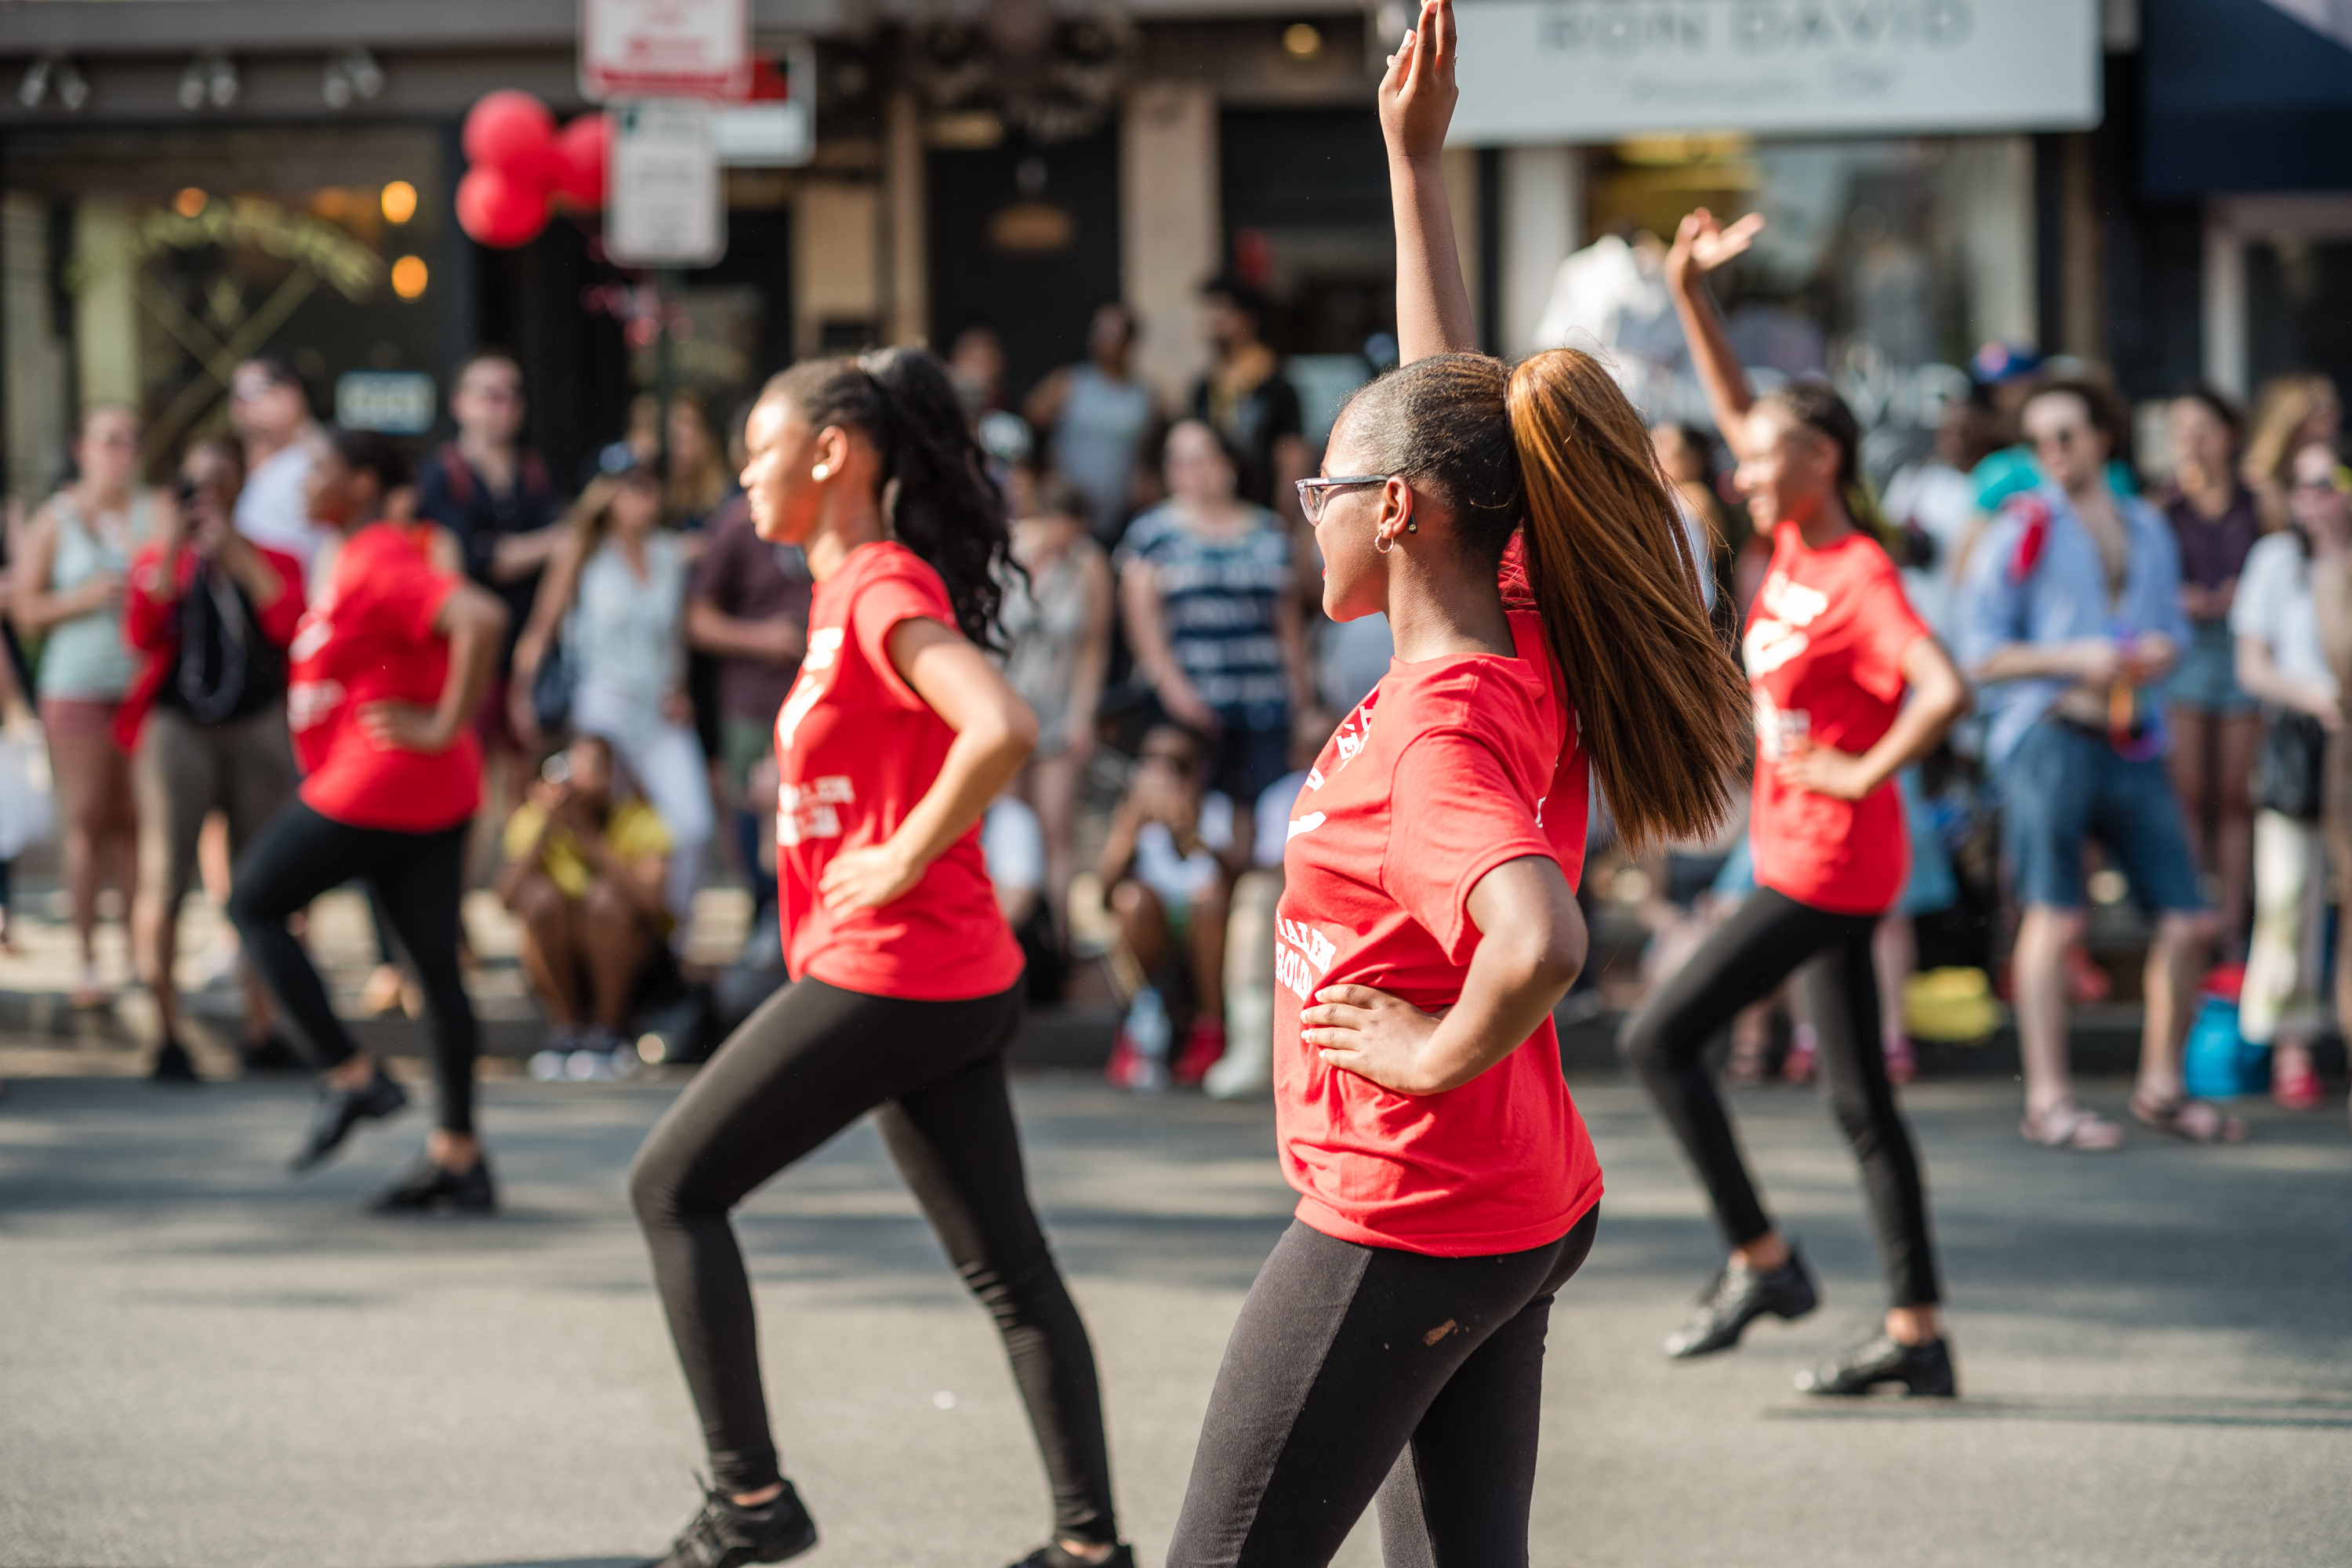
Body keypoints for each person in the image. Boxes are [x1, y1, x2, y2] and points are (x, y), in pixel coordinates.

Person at [1163, 10, 1751, 1560]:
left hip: (1410, 1206)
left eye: (1326, 490)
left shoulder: (1439, 730)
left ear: (1403, 513)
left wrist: (1427, 1052)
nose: (1311, 514)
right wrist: (1411, 167)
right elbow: (1450, 400)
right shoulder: (1523, 624)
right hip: (1512, 1201)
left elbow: (1543, 937)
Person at [624, 348, 1136, 1568]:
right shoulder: (841, 590)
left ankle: (751, 1503)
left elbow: (1000, 726)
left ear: (831, 454)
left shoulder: (876, 585)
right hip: (938, 976)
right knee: (1012, 1270)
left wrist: (898, 857)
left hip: (898, 967)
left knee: (672, 1189)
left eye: (759, 448)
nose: (743, 474)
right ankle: (1089, 1550)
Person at [1616, 204, 1971, 1393]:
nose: (1743, 469)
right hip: (1802, 850)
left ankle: (1763, 1261)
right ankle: (1919, 1336)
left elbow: (1940, 687)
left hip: (1829, 861)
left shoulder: (1856, 570)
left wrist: (1867, 769)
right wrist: (1685, 290)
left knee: (1659, 1037)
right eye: (1746, 458)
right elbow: (1736, 408)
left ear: (1825, 461)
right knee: (1861, 1100)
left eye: (1767, 459)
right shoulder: (1792, 543)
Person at [227, 427, 508, 1207]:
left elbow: (479, 618)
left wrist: (443, 723)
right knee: (433, 970)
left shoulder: (382, 553)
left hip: (382, 783)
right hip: (417, 790)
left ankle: (352, 1076)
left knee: (252, 900)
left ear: (359, 482)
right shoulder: (345, 556)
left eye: (320, 469)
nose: (304, 481)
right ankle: (460, 1156)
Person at [1957, 383, 2241, 1149]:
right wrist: (2074, 657)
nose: (2052, 451)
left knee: (2188, 918)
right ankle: (2048, 1099)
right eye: (2040, 439)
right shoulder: (2020, 526)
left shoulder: (2146, 523)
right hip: (2050, 734)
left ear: (2101, 439)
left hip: (2132, 736)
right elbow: (1979, 652)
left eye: (2067, 435)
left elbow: (2173, 630)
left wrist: (2159, 652)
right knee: (2056, 914)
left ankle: (2160, 1085)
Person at [120, 437, 305, 1083]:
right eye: (196, 485)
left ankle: (265, 1028)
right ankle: (166, 1034)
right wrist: (172, 549)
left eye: (221, 482)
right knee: (165, 880)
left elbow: (290, 625)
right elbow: (140, 633)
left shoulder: (268, 555)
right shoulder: (160, 557)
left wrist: (235, 554)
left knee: (263, 879)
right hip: (180, 728)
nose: (208, 496)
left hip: (256, 724)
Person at [511, 448, 712, 927]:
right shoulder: (580, 552)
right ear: (608, 495)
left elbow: (675, 636)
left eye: (650, 484)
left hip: (658, 710)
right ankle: (592, 938)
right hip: (600, 710)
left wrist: (681, 687)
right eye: (632, 486)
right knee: (593, 823)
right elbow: (541, 628)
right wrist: (521, 697)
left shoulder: (670, 553)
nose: (645, 496)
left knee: (693, 825)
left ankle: (669, 940)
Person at [14, 405, 156, 1011]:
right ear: (82, 449)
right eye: (109, 441)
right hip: (75, 689)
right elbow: (25, 609)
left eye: (130, 441)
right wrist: (84, 597)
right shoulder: (55, 519)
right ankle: (88, 960)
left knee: (135, 823)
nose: (121, 452)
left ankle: (138, 952)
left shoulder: (155, 512)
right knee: (87, 822)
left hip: (143, 688)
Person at [1117, 421, 1311, 855]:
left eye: (1197, 457)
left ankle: (1255, 914)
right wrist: (1174, 691)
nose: (1185, 469)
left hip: (1264, 699)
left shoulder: (1268, 531)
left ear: (1227, 464)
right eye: (1176, 458)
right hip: (1189, 702)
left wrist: (1301, 689)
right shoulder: (1152, 533)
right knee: (1193, 819)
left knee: (1266, 816)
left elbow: (1288, 621)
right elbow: (1142, 624)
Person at [415, 346, 567, 853]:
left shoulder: (535, 471)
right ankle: (458, 911)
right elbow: (471, 562)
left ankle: (522, 907)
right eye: (490, 395)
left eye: (511, 396)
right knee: (467, 783)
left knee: (526, 787)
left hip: (527, 653)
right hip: (468, 658)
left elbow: (553, 559)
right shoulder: (441, 474)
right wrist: (547, 544)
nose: (502, 406)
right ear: (460, 403)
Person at [2239, 440, 2350, 1112]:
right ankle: (2291, 1047)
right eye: (2302, 483)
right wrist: (2313, 698)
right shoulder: (2276, 561)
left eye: (2328, 481)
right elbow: (2252, 665)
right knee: (2289, 897)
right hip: (2299, 745)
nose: (2315, 495)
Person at [687, 411, 812, 938]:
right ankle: (765, 913)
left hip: (812, 700)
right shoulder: (738, 524)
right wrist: (760, 640)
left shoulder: (826, 521)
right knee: (750, 807)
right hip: (753, 701)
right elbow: (698, 618)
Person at [499, 733, 673, 1065]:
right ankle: (566, 1030)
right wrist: (546, 827)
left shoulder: (639, 819)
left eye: (593, 768)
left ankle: (609, 1031)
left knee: (606, 900)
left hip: (636, 963)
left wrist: (588, 838)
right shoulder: (537, 819)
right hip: (562, 959)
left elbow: (652, 904)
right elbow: (505, 899)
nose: (581, 779)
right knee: (538, 898)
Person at [2161, 388, 2263, 949]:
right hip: (2187, 651)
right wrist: (2183, 599)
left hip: (2240, 648)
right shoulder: (2164, 508)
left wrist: (2244, 593)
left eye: (2202, 429)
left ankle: (2230, 924)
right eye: (2183, 430)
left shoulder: (2259, 502)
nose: (2192, 442)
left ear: (2228, 435)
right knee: (2188, 793)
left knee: (2233, 796)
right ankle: (2192, 917)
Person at [999, 474, 1113, 949]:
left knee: (1054, 825)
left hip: (1058, 707)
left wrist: (1082, 717)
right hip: (1005, 707)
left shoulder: (1087, 565)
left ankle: (1057, 941)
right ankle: (1004, 938)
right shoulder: (1004, 551)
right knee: (1006, 821)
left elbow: (1093, 648)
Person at [1097, 722, 1240, 1087]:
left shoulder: (1216, 809)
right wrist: (1129, 832)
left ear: (1197, 769)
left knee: (1209, 900)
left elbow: (1232, 882)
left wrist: (1190, 833)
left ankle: (1210, 1030)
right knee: (1132, 899)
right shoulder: (1131, 814)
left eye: (1175, 763)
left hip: (1205, 933)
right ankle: (1137, 1028)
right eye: (1150, 761)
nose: (1161, 772)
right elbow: (1103, 894)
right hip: (1151, 932)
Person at [1025, 302, 1160, 544]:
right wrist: (1041, 476)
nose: (1107, 341)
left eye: (1115, 333)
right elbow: (1028, 427)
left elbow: (1152, 447)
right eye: (1100, 332)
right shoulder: (1068, 382)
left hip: (1122, 515)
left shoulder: (1146, 394)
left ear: (1131, 340)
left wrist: (1147, 475)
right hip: (1069, 513)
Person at [1191, 278, 1308, 521]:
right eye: (1210, 310)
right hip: (1211, 517)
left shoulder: (1275, 384)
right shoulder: (1206, 387)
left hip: (1260, 517)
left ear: (1249, 320)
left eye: (1224, 309)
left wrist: (1283, 520)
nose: (1214, 319)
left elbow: (1292, 458)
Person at [228, 354, 331, 582]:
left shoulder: (321, 456)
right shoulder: (252, 463)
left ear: (291, 391)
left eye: (250, 391)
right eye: (234, 395)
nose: (240, 405)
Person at [2244, 372, 2342, 535]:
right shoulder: (2256, 483)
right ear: (2295, 418)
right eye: (2325, 409)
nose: (2336, 417)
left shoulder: (2339, 469)